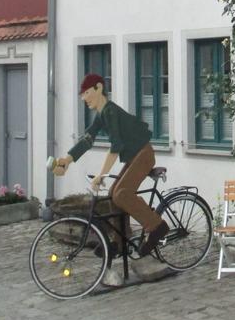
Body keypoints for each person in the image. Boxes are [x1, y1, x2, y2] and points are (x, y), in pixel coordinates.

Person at [53, 73, 168, 256]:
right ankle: (120, 243)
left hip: (144, 154)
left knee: (122, 193)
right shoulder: (101, 115)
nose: (84, 98)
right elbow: (87, 140)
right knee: (113, 194)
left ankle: (157, 227)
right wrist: (67, 161)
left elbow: (116, 146)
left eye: (87, 93)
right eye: (82, 95)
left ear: (99, 88)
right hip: (133, 156)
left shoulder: (111, 111)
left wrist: (101, 174)